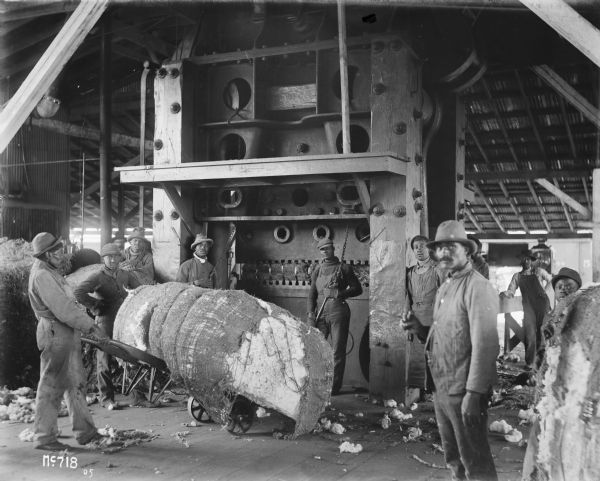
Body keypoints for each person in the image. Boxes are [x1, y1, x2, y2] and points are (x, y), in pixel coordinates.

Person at [402, 220, 499, 481]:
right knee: (453, 459)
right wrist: (419, 328)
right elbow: (443, 336)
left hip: (464, 390)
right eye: (440, 247)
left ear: (467, 251)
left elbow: (487, 346)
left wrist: (474, 393)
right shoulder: (446, 287)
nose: (444, 252)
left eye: (451, 246)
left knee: (475, 462)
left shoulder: (478, 287)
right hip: (441, 388)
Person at [27, 232, 109, 451]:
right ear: (44, 255)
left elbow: (67, 304)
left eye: (60, 249)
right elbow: (63, 308)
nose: (60, 254)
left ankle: (86, 432)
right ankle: (44, 437)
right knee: (51, 384)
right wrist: (91, 326)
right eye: (54, 252)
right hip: (56, 332)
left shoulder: (51, 272)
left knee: (75, 383)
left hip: (64, 331)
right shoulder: (42, 275)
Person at [521, 267, 581, 481]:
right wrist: (536, 369)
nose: (563, 289)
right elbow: (542, 350)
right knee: (542, 434)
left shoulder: (583, 316)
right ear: (554, 291)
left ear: (578, 289)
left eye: (569, 285)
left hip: (569, 387)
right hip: (547, 386)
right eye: (559, 286)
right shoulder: (551, 315)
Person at [74, 243, 140, 410]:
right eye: (108, 257)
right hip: (105, 321)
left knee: (132, 356)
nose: (112, 259)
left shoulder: (125, 275)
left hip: (124, 320)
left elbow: (141, 289)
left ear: (120, 257)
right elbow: (79, 292)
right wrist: (95, 306)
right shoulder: (97, 276)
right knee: (104, 359)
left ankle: (137, 395)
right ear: (103, 259)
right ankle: (106, 398)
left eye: (115, 256)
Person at [307, 237, 362, 395]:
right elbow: (311, 294)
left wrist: (340, 293)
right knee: (316, 348)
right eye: (322, 249)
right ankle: (316, 383)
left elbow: (358, 289)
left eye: (328, 248)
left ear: (333, 248)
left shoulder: (344, 268)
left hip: (338, 311)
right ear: (320, 251)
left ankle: (333, 387)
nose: (325, 251)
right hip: (320, 312)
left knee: (337, 350)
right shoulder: (317, 269)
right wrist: (310, 314)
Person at [405, 235, 444, 404]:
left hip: (432, 317)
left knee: (433, 355)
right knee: (417, 356)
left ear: (429, 249)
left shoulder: (438, 270)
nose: (419, 250)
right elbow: (407, 298)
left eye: (422, 246)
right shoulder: (410, 272)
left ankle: (434, 391)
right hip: (415, 317)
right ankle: (420, 390)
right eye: (415, 247)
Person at [501, 250, 552, 370]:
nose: (526, 261)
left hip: (542, 304)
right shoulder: (517, 276)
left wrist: (545, 290)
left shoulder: (539, 272)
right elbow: (511, 291)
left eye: (528, 259)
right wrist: (505, 293)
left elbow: (551, 279)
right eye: (524, 259)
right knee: (529, 333)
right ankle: (530, 363)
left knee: (542, 332)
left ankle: (541, 363)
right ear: (521, 261)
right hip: (528, 306)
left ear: (531, 261)